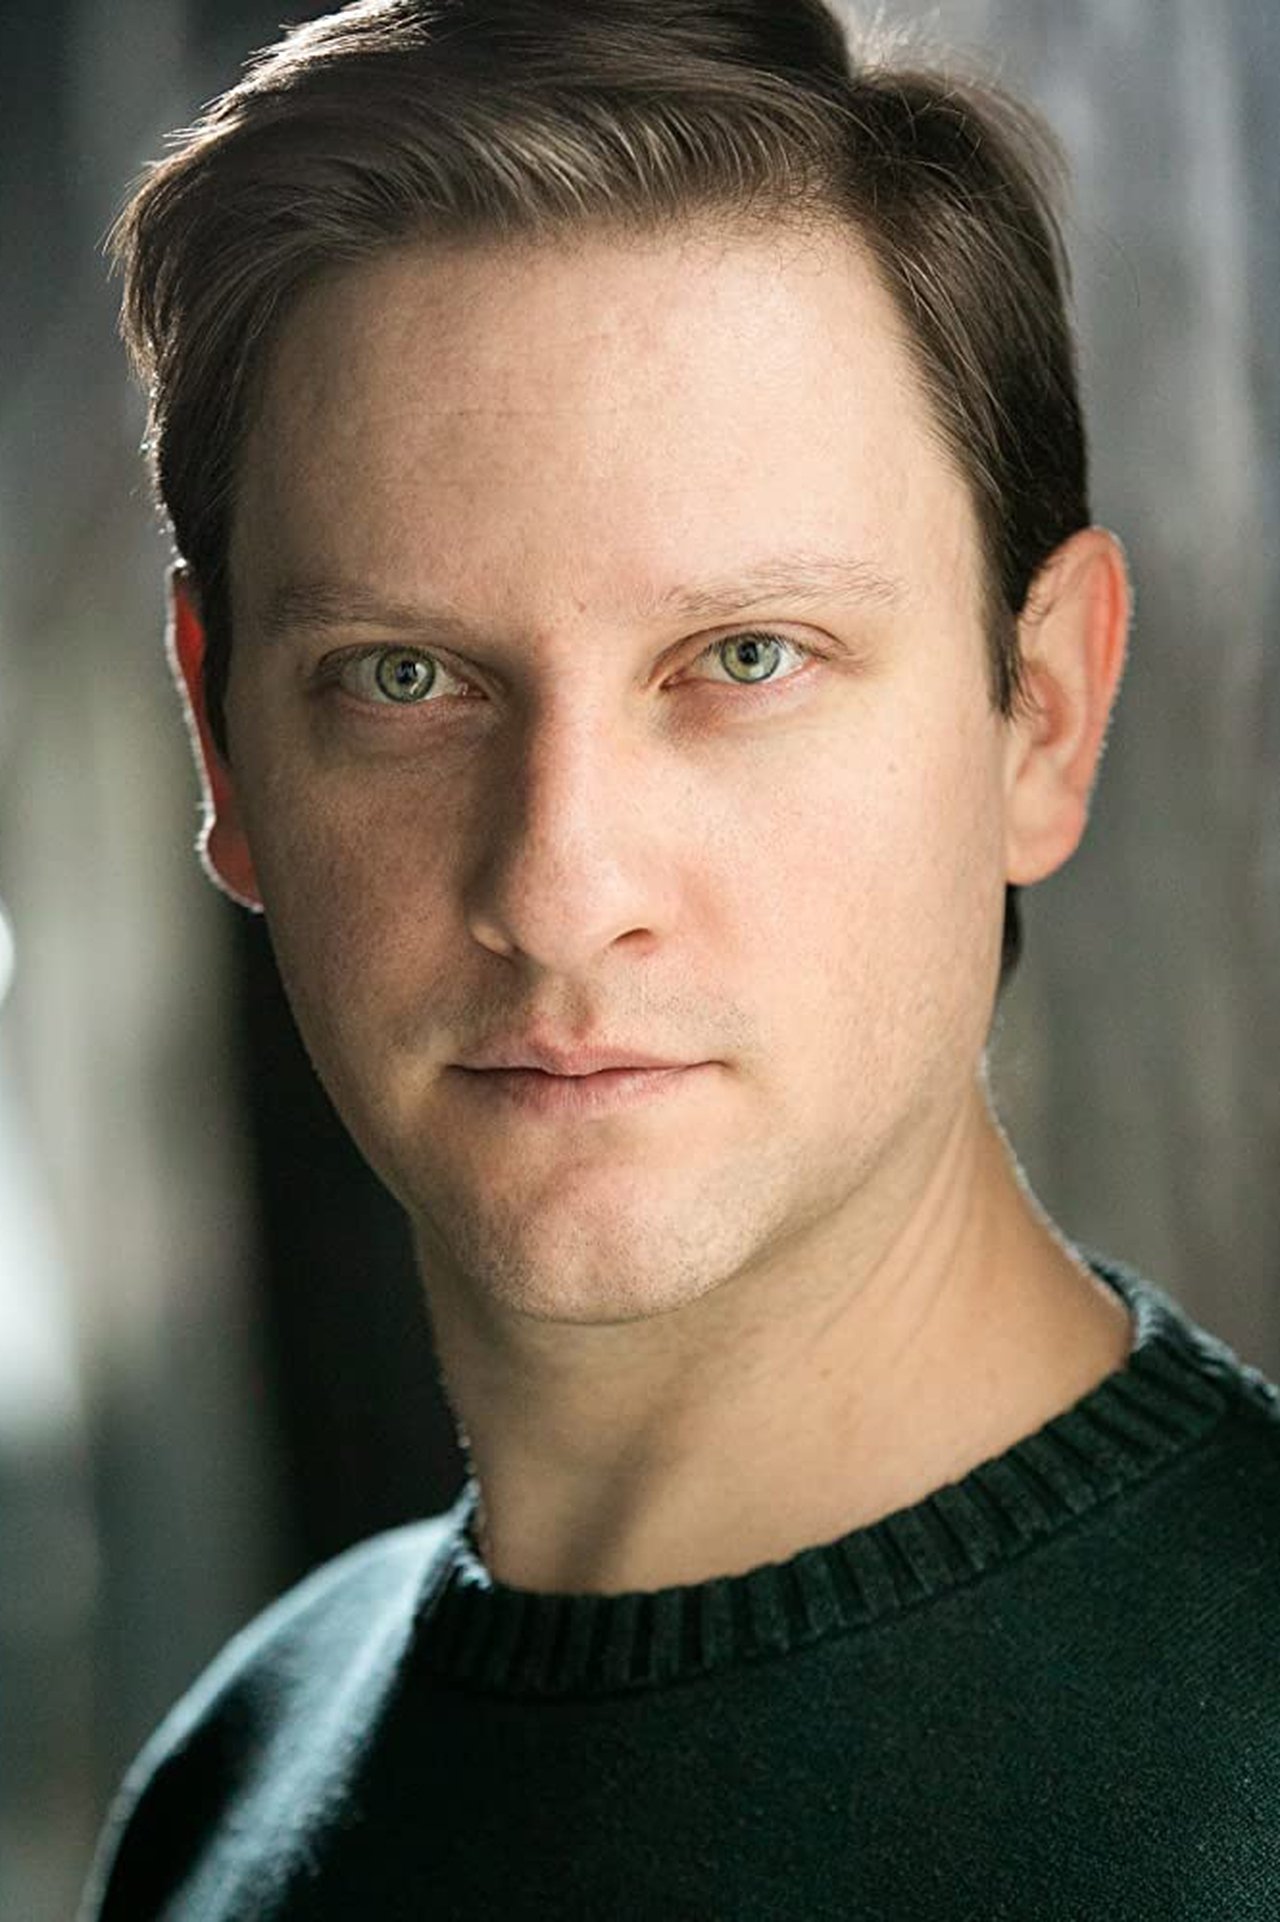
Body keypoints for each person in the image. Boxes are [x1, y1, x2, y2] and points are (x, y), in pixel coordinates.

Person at [80, 1, 1280, 1915]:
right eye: (406, 677)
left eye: (745, 658)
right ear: (224, 749)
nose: (560, 889)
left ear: (1042, 714)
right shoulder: (234, 1781)